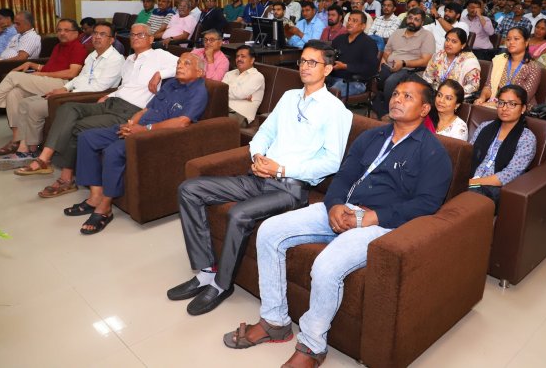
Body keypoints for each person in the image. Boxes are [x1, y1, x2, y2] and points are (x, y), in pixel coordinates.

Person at [222, 75, 450, 366]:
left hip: (381, 225)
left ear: (424, 109)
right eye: (396, 94)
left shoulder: (433, 152)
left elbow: (427, 204)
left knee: (326, 266)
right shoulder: (373, 136)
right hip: (343, 208)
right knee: (269, 231)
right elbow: (344, 176)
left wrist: (374, 217)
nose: (397, 99)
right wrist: (334, 205)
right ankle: (274, 321)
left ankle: (312, 347)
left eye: (408, 96)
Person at [167, 40, 353, 316]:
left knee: (240, 214)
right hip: (259, 176)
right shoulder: (290, 97)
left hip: (291, 189)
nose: (304, 67)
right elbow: (264, 132)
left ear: (327, 69)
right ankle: (206, 271)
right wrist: (257, 156)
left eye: (312, 62)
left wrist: (280, 169)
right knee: (189, 189)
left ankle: (221, 285)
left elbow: (331, 161)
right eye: (302, 61)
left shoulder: (336, 110)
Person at [11, 24, 178, 198]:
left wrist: (161, 74)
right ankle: (45, 158)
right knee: (68, 108)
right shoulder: (129, 60)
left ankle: (66, 179)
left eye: (141, 35)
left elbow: (190, 63)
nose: (136, 37)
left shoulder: (160, 55)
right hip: (112, 101)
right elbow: (126, 86)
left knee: (79, 126)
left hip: (130, 111)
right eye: (133, 34)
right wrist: (110, 95)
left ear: (151, 39)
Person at [69, 53, 208, 234]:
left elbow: (182, 122)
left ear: (199, 72)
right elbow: (146, 109)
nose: (180, 66)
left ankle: (105, 208)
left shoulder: (199, 91)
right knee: (86, 137)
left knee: (113, 151)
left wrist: (144, 130)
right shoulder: (171, 83)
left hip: (155, 136)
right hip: (138, 128)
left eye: (186, 63)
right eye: (179, 62)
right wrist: (131, 124)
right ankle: (95, 197)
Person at [0, 22, 125, 171]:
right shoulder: (92, 56)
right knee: (25, 103)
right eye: (95, 33)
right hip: (73, 92)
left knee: (33, 106)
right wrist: (63, 88)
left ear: (112, 39)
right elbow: (78, 78)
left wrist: (68, 93)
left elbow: (100, 88)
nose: (97, 37)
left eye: (102, 34)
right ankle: (30, 148)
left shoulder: (116, 59)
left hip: (87, 98)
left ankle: (27, 151)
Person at [0, 17, 80, 129]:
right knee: (13, 94)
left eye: (66, 30)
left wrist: (39, 74)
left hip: (63, 85)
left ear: (76, 32)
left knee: (13, 76)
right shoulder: (58, 46)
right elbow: (51, 67)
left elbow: (71, 73)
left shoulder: (78, 47)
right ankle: (17, 139)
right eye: (59, 30)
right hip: (48, 79)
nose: (62, 33)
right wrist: (32, 64)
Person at [469, 84, 536, 209]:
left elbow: (508, 175)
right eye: (501, 103)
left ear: (523, 108)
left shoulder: (526, 138)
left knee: (468, 196)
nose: (505, 108)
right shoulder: (485, 127)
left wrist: (472, 183)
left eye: (512, 104)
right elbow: (468, 155)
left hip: (494, 188)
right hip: (470, 179)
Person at [373, 8, 435, 118]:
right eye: (410, 18)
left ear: (422, 22)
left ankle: (390, 113)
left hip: (410, 69)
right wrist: (384, 63)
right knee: (378, 76)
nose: (412, 21)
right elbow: (387, 52)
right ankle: (385, 109)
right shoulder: (397, 33)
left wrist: (403, 63)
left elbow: (426, 61)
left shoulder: (427, 35)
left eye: (416, 19)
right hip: (391, 65)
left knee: (391, 82)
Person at [476, 27, 542, 108]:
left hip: (520, 109)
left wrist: (496, 105)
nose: (511, 42)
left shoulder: (533, 67)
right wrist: (482, 98)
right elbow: (489, 86)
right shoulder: (499, 60)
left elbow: (524, 98)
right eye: (508, 39)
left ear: (526, 42)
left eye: (516, 39)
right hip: (494, 103)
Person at [328, 11, 379, 97]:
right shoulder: (339, 39)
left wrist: (346, 66)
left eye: (354, 21)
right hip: (333, 77)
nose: (350, 23)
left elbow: (371, 69)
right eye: (349, 20)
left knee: (331, 93)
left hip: (355, 82)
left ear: (363, 26)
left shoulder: (369, 43)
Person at [423, 27, 481, 97]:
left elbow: (473, 86)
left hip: (456, 97)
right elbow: (427, 77)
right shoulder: (439, 56)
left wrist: (452, 92)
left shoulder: (470, 61)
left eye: (454, 42)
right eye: (447, 40)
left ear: (463, 45)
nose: (448, 44)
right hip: (435, 93)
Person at [222, 45, 265, 127]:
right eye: (237, 56)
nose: (239, 59)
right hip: (222, 108)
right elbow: (220, 91)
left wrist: (233, 92)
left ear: (252, 60)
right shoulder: (230, 74)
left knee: (217, 123)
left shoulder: (257, 76)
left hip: (240, 114)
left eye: (243, 56)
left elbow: (239, 93)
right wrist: (240, 95)